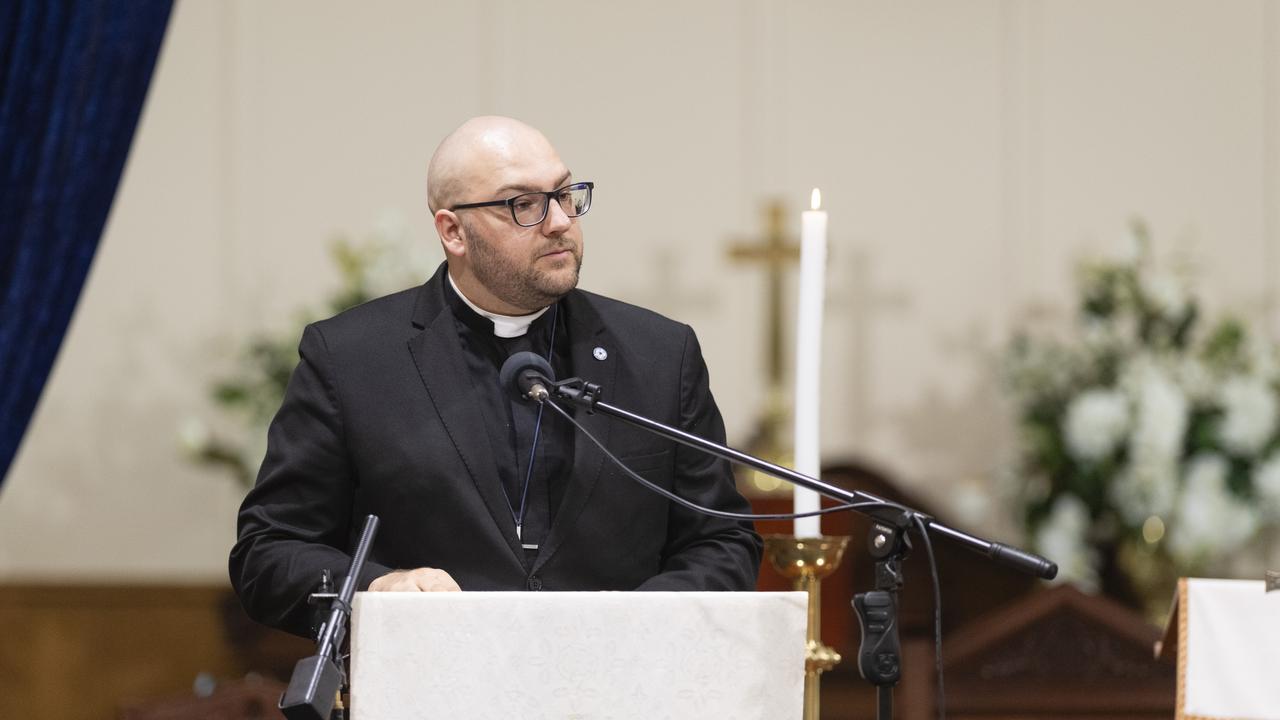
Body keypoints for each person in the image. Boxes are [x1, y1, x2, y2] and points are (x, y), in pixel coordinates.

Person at [229, 116, 761, 637]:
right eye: (523, 204)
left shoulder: (660, 355)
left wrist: (628, 627)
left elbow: (722, 541)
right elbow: (268, 553)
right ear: (453, 231)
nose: (559, 221)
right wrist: (376, 591)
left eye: (565, 194)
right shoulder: (351, 358)